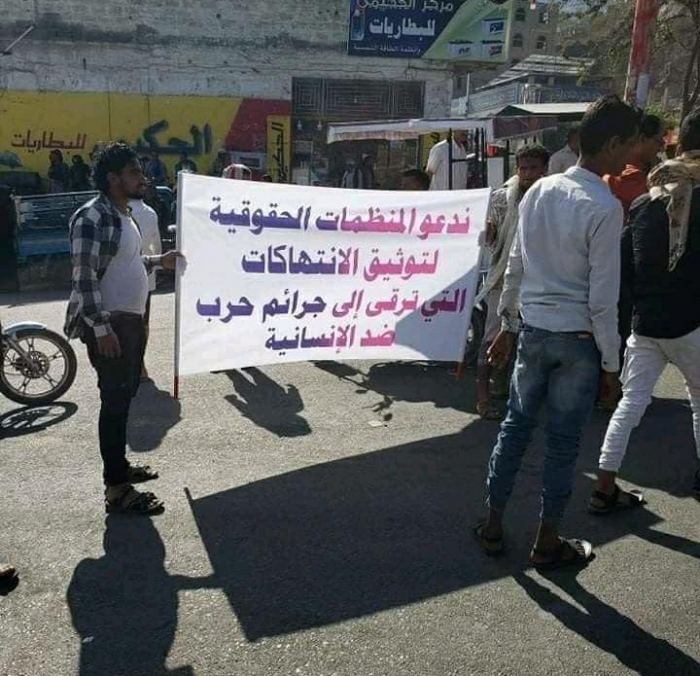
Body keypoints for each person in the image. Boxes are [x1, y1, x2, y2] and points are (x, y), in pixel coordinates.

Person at [475, 95, 639, 569]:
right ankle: (546, 542)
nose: (632, 156)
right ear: (613, 143)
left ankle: (492, 526)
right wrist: (611, 365)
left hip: (534, 332)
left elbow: (516, 266)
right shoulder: (604, 206)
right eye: (630, 145)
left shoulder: (541, 191)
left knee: (514, 430)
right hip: (578, 343)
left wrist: (507, 325)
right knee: (563, 446)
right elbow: (603, 299)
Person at [590, 109, 700, 512]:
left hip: (646, 324)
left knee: (630, 404)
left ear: (678, 146)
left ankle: (604, 485)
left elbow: (623, 266)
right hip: (691, 323)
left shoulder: (644, 202)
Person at [64, 142, 181, 515]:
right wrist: (101, 329)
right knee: (114, 403)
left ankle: (119, 467)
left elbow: (127, 261)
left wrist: (158, 260)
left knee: (124, 396)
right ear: (113, 178)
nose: (142, 178)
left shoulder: (124, 214)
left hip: (129, 322)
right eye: (133, 172)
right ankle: (116, 489)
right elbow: (84, 278)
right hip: (111, 323)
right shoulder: (91, 216)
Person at [474, 144, 550, 421]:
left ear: (544, 170)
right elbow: (491, 238)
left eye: (534, 168)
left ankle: (503, 383)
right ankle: (483, 396)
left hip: (538, 278)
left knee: (522, 336)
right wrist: (489, 231)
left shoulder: (551, 197)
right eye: (523, 168)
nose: (528, 174)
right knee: (492, 336)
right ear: (516, 169)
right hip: (503, 278)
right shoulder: (502, 198)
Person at [605, 113, 666, 218]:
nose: (660, 149)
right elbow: (659, 204)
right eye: (659, 142)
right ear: (642, 139)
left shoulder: (615, 167)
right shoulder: (629, 176)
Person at [128, 194, 162, 381]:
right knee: (143, 323)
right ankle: (140, 366)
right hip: (146, 275)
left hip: (120, 277)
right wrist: (158, 264)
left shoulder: (114, 211)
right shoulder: (150, 213)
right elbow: (157, 246)